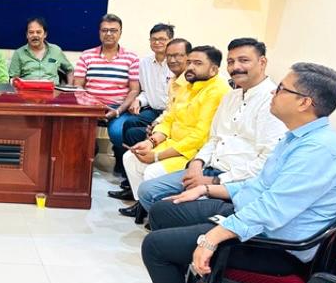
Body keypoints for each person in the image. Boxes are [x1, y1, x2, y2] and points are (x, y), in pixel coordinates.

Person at [134, 62, 336, 283]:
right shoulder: (296, 137)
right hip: (251, 218)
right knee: (164, 210)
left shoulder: (319, 150)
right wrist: (205, 190)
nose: (273, 92)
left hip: (273, 244)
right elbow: (259, 185)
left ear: (304, 102)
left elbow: (272, 210)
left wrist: (212, 238)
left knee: (155, 247)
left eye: (282, 89)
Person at [136, 38, 287, 211]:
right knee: (148, 191)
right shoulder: (231, 97)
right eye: (231, 62)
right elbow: (214, 138)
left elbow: (267, 161)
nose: (236, 67)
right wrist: (197, 163)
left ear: (262, 62)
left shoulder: (272, 101)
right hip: (209, 166)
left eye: (244, 60)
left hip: (237, 181)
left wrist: (215, 181)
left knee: (164, 209)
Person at [120, 46, 230, 219]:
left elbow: (200, 137)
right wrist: (151, 142)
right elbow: (169, 119)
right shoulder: (186, 84)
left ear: (213, 69)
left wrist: (157, 156)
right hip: (172, 143)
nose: (190, 67)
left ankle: (161, 216)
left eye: (197, 63)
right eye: (189, 62)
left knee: (151, 172)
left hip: (192, 153)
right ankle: (147, 208)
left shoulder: (217, 91)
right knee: (130, 158)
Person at [109, 37, 191, 201]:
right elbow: (158, 102)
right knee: (131, 125)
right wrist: (141, 104)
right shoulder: (149, 66)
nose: (173, 60)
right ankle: (130, 182)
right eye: (170, 56)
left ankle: (139, 190)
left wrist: (156, 134)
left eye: (178, 56)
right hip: (158, 114)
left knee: (134, 133)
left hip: (179, 137)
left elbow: (178, 119)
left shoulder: (194, 84)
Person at [72, 14, 140, 177]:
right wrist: (92, 107)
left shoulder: (131, 58)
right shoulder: (87, 55)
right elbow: (78, 86)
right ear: (99, 32)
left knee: (118, 133)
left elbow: (134, 90)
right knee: (73, 132)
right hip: (90, 106)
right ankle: (87, 157)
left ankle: (120, 159)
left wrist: (117, 111)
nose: (108, 34)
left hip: (118, 107)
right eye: (104, 30)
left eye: (113, 30)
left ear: (120, 32)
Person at [9, 17, 73, 84]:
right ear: (27, 35)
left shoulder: (56, 50)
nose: (35, 35)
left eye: (38, 32)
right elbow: (14, 78)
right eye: (31, 32)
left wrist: (69, 86)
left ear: (45, 34)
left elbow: (70, 70)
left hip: (53, 89)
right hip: (28, 89)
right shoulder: (19, 53)